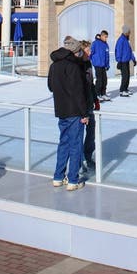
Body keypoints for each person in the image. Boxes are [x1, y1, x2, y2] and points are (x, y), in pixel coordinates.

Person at [47, 35, 88, 191]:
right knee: (76, 144)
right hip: (75, 112)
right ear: (74, 52)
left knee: (63, 142)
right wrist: (84, 113)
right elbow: (79, 92)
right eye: (78, 52)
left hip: (61, 109)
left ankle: (58, 176)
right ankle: (73, 179)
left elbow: (51, 86)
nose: (79, 54)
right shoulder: (73, 67)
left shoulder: (54, 66)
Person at [80, 40, 100, 172]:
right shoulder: (78, 65)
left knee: (91, 132)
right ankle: (79, 160)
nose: (91, 52)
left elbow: (91, 84)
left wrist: (95, 99)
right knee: (78, 134)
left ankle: (88, 156)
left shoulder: (88, 64)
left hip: (89, 103)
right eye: (88, 50)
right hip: (80, 105)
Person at [115, 25, 136, 97]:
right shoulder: (121, 40)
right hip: (122, 61)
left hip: (127, 61)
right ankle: (122, 90)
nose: (130, 33)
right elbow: (118, 51)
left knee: (127, 76)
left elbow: (130, 51)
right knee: (125, 76)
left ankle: (125, 89)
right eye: (129, 32)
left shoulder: (127, 40)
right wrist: (119, 61)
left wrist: (133, 59)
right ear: (126, 32)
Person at [90, 30, 111, 101]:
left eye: (107, 37)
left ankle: (103, 93)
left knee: (104, 80)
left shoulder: (106, 45)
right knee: (99, 80)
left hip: (103, 65)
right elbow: (91, 52)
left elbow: (107, 56)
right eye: (105, 37)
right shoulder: (95, 43)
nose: (106, 38)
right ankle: (97, 94)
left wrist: (107, 65)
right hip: (97, 64)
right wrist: (88, 61)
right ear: (101, 36)